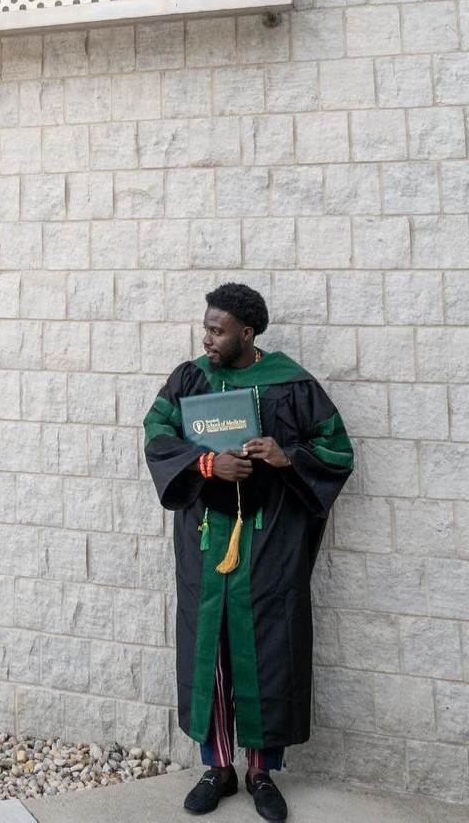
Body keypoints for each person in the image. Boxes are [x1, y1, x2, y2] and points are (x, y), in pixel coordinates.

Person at [143, 283, 353, 822]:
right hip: (207, 542)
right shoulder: (190, 376)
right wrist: (208, 464)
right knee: (208, 647)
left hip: (270, 542)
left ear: (247, 333)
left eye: (217, 330)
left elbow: (336, 447)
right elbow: (157, 433)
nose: (206, 337)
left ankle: (261, 771)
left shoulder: (291, 383)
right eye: (206, 327)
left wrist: (286, 457)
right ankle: (218, 767)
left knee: (266, 645)